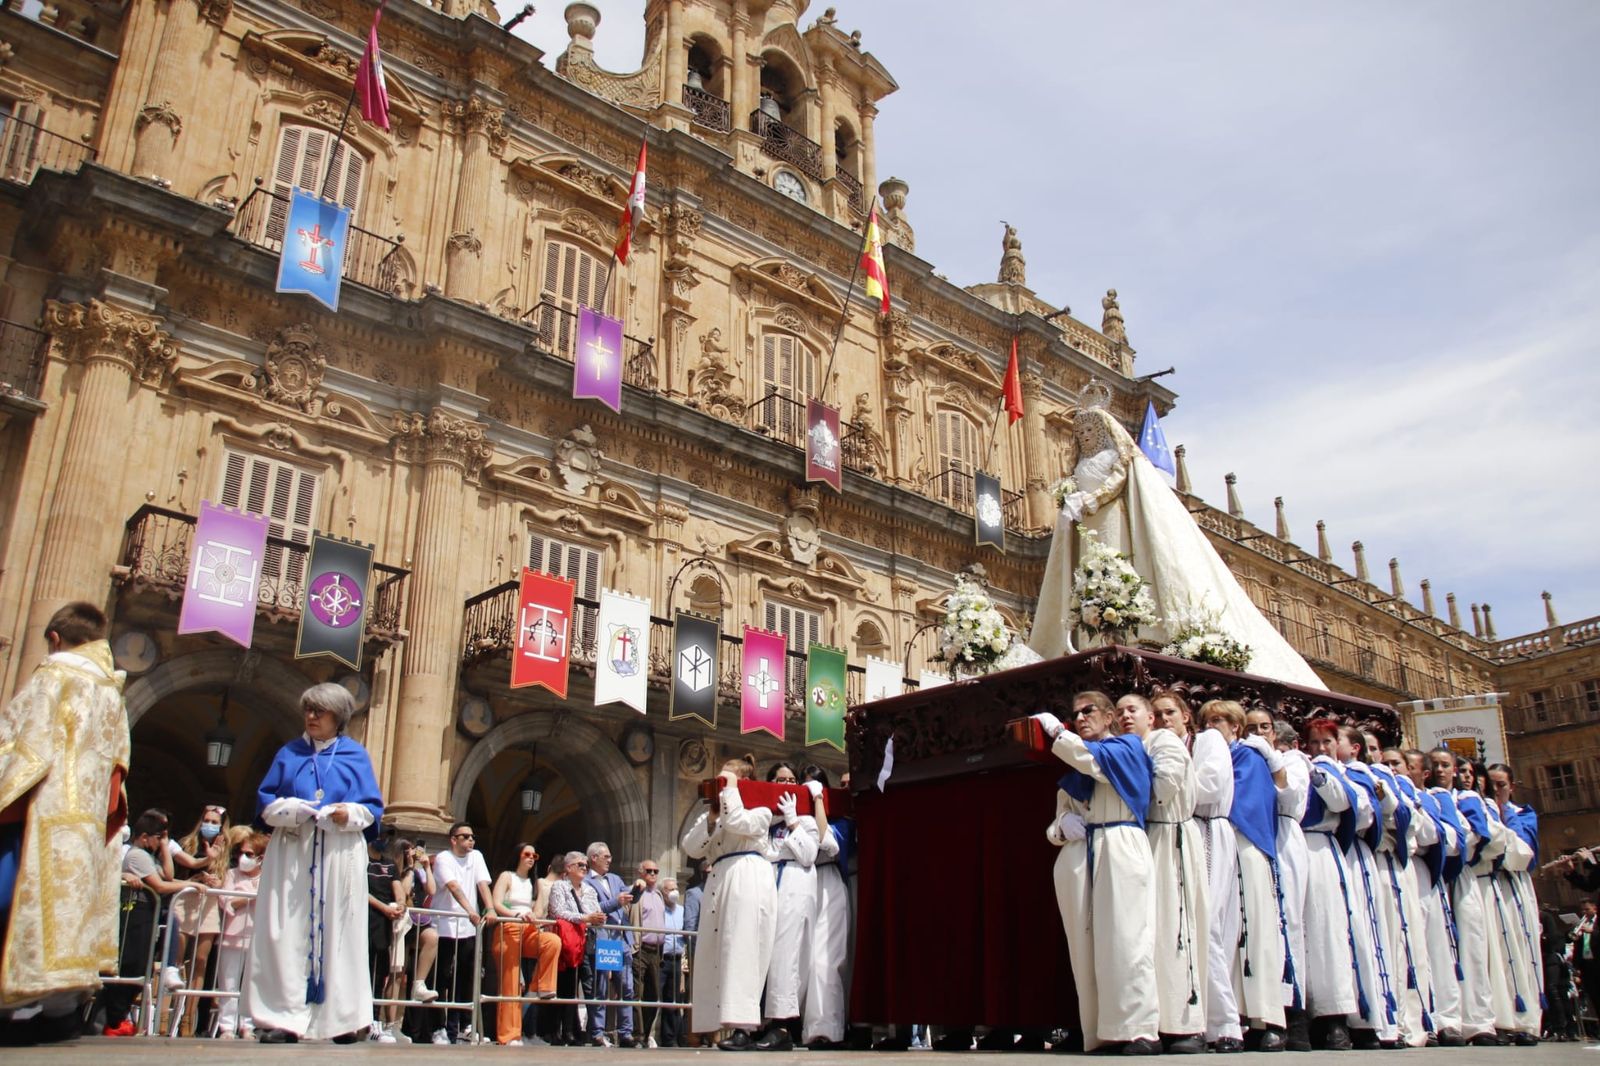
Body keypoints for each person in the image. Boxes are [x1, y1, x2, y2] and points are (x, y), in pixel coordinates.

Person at [1028, 397, 1324, 689]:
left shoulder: (1115, 456)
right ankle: (1087, 640)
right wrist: (1070, 498)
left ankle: (1131, 634)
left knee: (1118, 564)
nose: (1085, 436)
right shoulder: (1079, 462)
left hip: (1110, 518)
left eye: (1090, 431)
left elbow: (1119, 478)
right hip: (1086, 523)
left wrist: (1093, 497)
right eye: (1080, 433)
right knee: (1087, 576)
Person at [0, 602, 130, 1042]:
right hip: (87, 822)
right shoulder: (112, 691)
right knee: (69, 912)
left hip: (40, 812)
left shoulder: (53, 676)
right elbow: (119, 769)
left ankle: (18, 1006)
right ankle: (62, 1012)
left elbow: (23, 749)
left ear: (55, 638)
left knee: (19, 905)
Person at [245, 682, 384, 1043]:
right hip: (294, 850)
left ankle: (342, 1020)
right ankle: (282, 1019)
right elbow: (266, 803)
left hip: (339, 853)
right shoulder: (288, 753)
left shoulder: (355, 755)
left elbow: (371, 809)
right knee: (285, 932)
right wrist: (292, 809)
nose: (310, 717)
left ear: (337, 717)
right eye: (308, 710)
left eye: (318, 711)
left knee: (342, 932)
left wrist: (345, 813)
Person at [1031, 691, 1161, 1054]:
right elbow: (1054, 826)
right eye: (1075, 715)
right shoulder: (1074, 768)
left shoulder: (1127, 748)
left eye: (1089, 711)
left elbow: (1094, 760)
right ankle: (1101, 1031)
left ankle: (1139, 1029)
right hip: (1082, 854)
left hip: (1120, 845)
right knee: (1085, 948)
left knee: (1127, 940)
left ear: (1108, 717)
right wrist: (1062, 827)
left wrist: (1057, 733)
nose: (1082, 718)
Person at [1120, 692, 1207, 1053]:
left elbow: (1162, 789)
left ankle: (1184, 1023)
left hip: (1170, 837)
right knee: (1149, 933)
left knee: (1176, 928)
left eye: (1134, 710)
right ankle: (1151, 1020)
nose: (1127, 716)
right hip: (1150, 837)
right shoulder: (1138, 745)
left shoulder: (1164, 742)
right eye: (1121, 711)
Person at [1201, 700, 1288, 1050]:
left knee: (1255, 932)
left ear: (1236, 727)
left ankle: (1265, 1017)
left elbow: (1241, 800)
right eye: (1206, 720)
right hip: (1218, 845)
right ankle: (1230, 1012)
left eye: (1220, 720)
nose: (1212, 725)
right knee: (1225, 933)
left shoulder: (1247, 757)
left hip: (1244, 845)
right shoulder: (1208, 755)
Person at [681, 756, 777, 1049]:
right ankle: (714, 1023)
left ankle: (743, 1027)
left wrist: (732, 791)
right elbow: (690, 847)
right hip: (719, 877)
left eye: (727, 781)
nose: (721, 788)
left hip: (746, 873)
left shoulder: (760, 809)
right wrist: (710, 819)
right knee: (715, 951)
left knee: (742, 949)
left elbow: (739, 822)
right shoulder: (716, 813)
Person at [1335, 725, 1400, 1048]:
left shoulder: (1361, 774)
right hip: (1338, 856)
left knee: (1365, 929)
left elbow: (1383, 811)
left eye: (1334, 741)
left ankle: (1376, 1017)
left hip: (1357, 855)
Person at [100, 809, 189, 1036]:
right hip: (135, 912)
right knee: (131, 965)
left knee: (141, 967)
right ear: (145, 836)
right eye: (158, 837)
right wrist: (191, 886)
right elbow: (160, 886)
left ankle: (117, 1018)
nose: (160, 841)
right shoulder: (138, 855)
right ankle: (114, 1019)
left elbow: (167, 876)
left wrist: (165, 846)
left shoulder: (150, 857)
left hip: (147, 912)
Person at [1299, 720, 1360, 1049]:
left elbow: (1341, 802)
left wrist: (1317, 773)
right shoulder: (1301, 762)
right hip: (1295, 844)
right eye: (1314, 742)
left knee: (1327, 930)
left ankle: (1335, 1016)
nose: (1320, 748)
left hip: (1323, 848)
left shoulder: (1337, 771)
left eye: (1326, 742)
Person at [756, 761, 820, 1052]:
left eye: (792, 780)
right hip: (768, 886)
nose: (786, 785)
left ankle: (781, 1025)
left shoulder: (805, 819)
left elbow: (808, 854)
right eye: (780, 780)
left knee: (785, 956)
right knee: (762, 955)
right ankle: (758, 1022)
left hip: (794, 885)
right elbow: (763, 850)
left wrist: (793, 822)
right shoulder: (765, 821)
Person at [1486, 764, 1542, 1044]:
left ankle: (1528, 1020)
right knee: (1497, 950)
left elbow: (1526, 851)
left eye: (1501, 785)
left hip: (1516, 886)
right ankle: (1504, 1018)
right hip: (1493, 885)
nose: (1497, 791)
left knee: (1521, 948)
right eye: (1492, 785)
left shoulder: (1523, 814)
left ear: (1512, 787)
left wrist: (1506, 811)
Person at [1266, 718, 1313, 1051]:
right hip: (1257, 834)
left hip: (1283, 837)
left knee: (1288, 923)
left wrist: (1271, 759)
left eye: (1263, 730)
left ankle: (1295, 1015)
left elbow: (1290, 793)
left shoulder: (1293, 761)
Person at [488, 842, 559, 1046]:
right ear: (518, 855)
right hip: (508, 927)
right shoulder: (506, 876)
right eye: (527, 854)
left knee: (551, 941)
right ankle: (509, 1034)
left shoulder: (534, 883)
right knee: (510, 983)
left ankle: (540, 987)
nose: (531, 858)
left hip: (528, 929)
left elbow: (537, 911)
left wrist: (532, 914)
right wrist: (517, 914)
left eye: (534, 856)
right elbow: (497, 903)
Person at [802, 765, 851, 1050]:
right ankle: (808, 1027)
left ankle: (829, 1028)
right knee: (805, 960)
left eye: (815, 786)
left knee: (826, 959)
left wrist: (819, 801)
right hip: (802, 879)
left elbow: (828, 844)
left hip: (829, 881)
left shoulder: (841, 820)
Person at [429, 821, 492, 1045]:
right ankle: (438, 1026)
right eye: (464, 836)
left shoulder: (476, 857)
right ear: (453, 840)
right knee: (442, 979)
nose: (470, 840)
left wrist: (490, 908)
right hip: (445, 926)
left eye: (472, 836)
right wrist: (471, 911)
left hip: (468, 928)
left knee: (465, 978)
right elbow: (454, 887)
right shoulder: (444, 858)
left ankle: (462, 1026)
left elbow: (483, 884)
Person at [168, 805, 229, 1012]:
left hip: (209, 904)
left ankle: (189, 1014)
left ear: (221, 827)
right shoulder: (187, 844)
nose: (209, 825)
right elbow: (173, 875)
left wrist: (216, 882)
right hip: (186, 900)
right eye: (207, 821)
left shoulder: (224, 850)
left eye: (214, 822)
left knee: (201, 959)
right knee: (177, 957)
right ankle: (169, 1011)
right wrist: (195, 879)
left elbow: (226, 879)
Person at [548, 850, 605, 1046]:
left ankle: (574, 1031)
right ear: (568, 867)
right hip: (566, 943)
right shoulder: (559, 886)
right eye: (581, 865)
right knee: (563, 987)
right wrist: (586, 918)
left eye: (586, 866)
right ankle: (557, 1031)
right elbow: (558, 911)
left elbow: (594, 911)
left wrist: (596, 919)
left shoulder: (589, 889)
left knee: (581, 988)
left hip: (586, 943)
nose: (585, 868)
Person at [584, 840, 636, 1047]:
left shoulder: (615, 878)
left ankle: (626, 1033)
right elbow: (594, 907)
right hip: (604, 939)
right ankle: (597, 1031)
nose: (609, 860)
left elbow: (629, 896)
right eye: (606, 857)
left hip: (621, 939)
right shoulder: (587, 882)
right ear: (594, 858)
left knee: (626, 987)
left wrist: (637, 889)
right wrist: (617, 901)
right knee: (601, 987)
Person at [214, 828, 265, 1039]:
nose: (244, 857)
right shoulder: (231, 875)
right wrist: (250, 897)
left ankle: (248, 1025)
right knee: (229, 982)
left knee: (251, 984)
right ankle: (227, 1025)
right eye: (242, 852)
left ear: (261, 857)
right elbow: (226, 901)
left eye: (250, 854)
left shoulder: (268, 877)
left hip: (257, 937)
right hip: (232, 935)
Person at [365, 835, 403, 1043]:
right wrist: (384, 908)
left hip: (383, 925)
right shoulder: (362, 860)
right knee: (363, 969)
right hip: (366, 918)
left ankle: (374, 1019)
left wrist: (400, 904)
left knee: (379, 973)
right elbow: (362, 890)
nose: (382, 840)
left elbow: (398, 889)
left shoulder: (389, 864)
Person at [631, 858, 666, 1046]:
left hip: (657, 952)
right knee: (638, 992)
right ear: (640, 872)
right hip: (641, 948)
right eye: (649, 871)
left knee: (653, 996)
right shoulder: (637, 893)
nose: (653, 874)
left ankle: (645, 1035)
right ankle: (637, 1034)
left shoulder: (659, 895)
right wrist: (637, 888)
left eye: (655, 871)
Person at [659, 877, 687, 1047]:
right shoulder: (659, 909)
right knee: (654, 997)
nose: (674, 892)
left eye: (675, 888)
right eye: (670, 889)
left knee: (674, 1000)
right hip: (661, 959)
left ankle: (670, 1038)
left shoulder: (682, 910)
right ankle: (647, 1034)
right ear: (662, 892)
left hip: (677, 960)